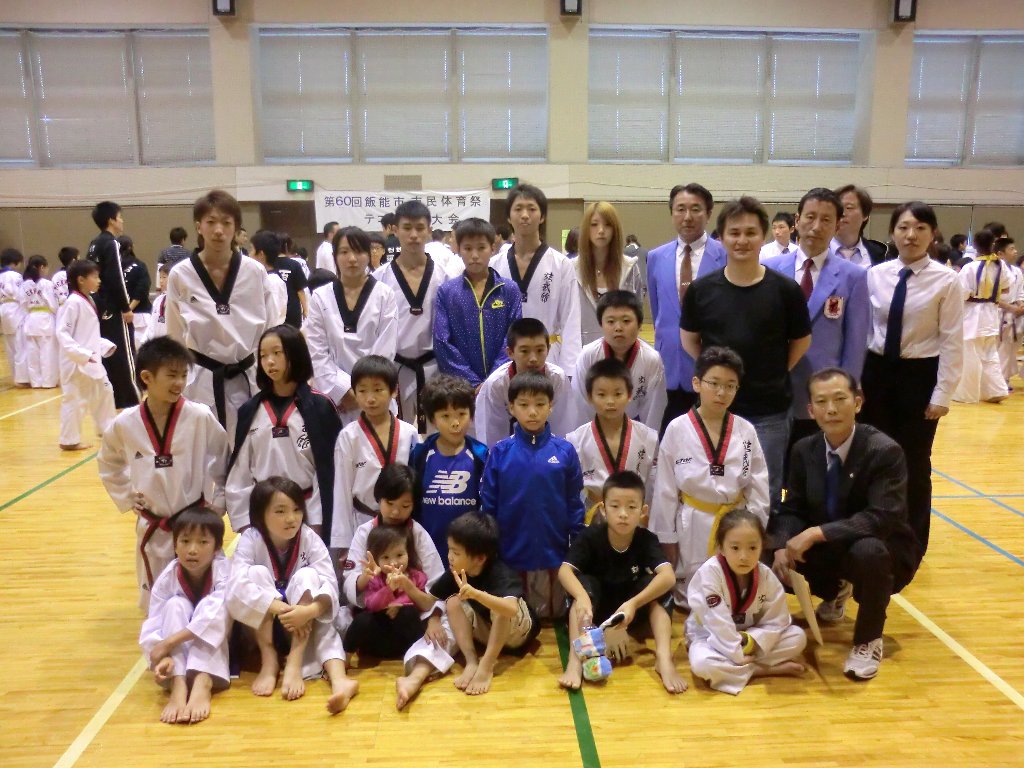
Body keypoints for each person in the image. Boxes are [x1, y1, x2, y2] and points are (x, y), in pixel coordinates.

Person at [770, 368, 920, 680]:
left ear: (858, 402)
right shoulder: (803, 450)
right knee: (766, 551)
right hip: (830, 544)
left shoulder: (884, 450)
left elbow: (882, 517)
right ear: (810, 410)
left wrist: (817, 533)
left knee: (868, 552)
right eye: (821, 402)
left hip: (883, 547)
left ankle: (868, 640)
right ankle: (836, 589)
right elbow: (791, 506)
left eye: (840, 399)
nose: (831, 409)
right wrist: (782, 544)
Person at [681, 196, 811, 514]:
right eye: (734, 232)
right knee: (714, 488)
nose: (742, 240)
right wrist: (717, 381)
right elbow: (690, 341)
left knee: (764, 493)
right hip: (716, 411)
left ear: (763, 236)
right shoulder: (702, 290)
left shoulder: (785, 290)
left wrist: (776, 370)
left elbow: (801, 340)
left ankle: (760, 547)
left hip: (769, 412)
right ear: (722, 238)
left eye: (750, 233)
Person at [860, 202, 963, 556]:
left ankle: (912, 541)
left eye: (920, 228)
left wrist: (942, 393)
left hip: (919, 375)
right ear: (892, 232)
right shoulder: (875, 275)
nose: (911, 235)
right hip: (876, 372)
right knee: (874, 456)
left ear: (932, 234)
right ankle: (874, 530)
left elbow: (952, 340)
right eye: (903, 227)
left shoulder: (947, 280)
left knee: (915, 462)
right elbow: (865, 329)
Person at [97, 337, 229, 609]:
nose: (179, 382)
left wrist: (219, 502)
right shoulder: (125, 423)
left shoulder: (199, 416)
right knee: (157, 602)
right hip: (153, 524)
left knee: (203, 600)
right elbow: (108, 462)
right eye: (171, 375)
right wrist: (126, 496)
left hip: (193, 524)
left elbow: (224, 458)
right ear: (147, 377)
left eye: (183, 375)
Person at [226, 477, 358, 713]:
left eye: (297, 510)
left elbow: (329, 583)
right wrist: (277, 607)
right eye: (280, 511)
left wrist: (310, 611)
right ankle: (269, 660)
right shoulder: (250, 539)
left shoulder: (309, 537)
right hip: (263, 628)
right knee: (255, 574)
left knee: (308, 577)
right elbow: (235, 587)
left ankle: (333, 678)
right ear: (260, 514)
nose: (291, 518)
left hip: (301, 629)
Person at [650, 346, 768, 607]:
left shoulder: (746, 430)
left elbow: (758, 487)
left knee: (732, 597)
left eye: (730, 386)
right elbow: (665, 490)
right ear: (697, 383)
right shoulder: (677, 428)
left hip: (735, 522)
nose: (721, 392)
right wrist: (666, 539)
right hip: (692, 521)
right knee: (691, 600)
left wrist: (755, 531)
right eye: (714, 383)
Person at [762, 188, 870, 448]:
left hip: (823, 393)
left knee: (816, 467)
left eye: (826, 220)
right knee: (773, 467)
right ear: (797, 220)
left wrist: (845, 391)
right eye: (810, 217)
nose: (816, 226)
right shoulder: (769, 270)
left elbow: (856, 342)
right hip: (775, 389)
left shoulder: (853, 277)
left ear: (837, 225)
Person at [558, 471, 684, 693]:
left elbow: (668, 576)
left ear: (643, 511)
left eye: (631, 507)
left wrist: (633, 604)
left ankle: (664, 659)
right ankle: (575, 662)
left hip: (629, 612)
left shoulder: (646, 540)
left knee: (659, 587)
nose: (623, 514)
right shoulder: (590, 537)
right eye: (615, 506)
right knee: (583, 585)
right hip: (593, 614)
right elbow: (564, 571)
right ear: (603, 509)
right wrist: (582, 596)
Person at [165, 190, 275, 437]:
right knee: (203, 453)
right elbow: (174, 335)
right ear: (199, 227)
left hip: (248, 376)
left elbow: (271, 329)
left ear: (236, 228)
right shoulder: (181, 275)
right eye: (211, 222)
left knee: (250, 449)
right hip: (201, 379)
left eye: (226, 223)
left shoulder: (254, 272)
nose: (218, 230)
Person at [481, 371, 585, 619]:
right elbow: (489, 505)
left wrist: (577, 544)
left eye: (540, 404)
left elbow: (574, 503)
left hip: (554, 552)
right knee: (517, 620)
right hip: (511, 553)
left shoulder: (565, 451)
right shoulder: (500, 452)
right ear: (511, 408)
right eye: (524, 405)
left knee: (555, 617)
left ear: (551, 406)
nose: (533, 412)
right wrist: (491, 548)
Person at [227, 325, 342, 538]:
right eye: (263, 355)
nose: (269, 361)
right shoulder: (249, 410)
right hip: (261, 517)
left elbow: (329, 471)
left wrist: (317, 522)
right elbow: (240, 471)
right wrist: (245, 524)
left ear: (295, 354)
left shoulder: (321, 407)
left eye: (277, 353)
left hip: (308, 514)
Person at [416, 512, 540, 698]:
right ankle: (472, 661)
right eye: (449, 550)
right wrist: (405, 585)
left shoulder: (500, 573)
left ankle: (486, 666)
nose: (450, 557)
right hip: (490, 633)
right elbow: (427, 602)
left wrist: (476, 594)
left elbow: (511, 609)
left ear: (480, 558)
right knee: (452, 602)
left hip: (518, 634)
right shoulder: (455, 572)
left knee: (500, 608)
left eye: (456, 553)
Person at [687, 510, 806, 694]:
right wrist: (735, 652)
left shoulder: (765, 575)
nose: (744, 556)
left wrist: (751, 641)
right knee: (702, 664)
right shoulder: (709, 573)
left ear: (762, 547)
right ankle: (763, 670)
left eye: (752, 548)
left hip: (750, 637)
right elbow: (716, 621)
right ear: (721, 547)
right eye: (735, 548)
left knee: (797, 637)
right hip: (712, 637)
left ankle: (735, 671)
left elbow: (777, 620)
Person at [646, 183, 728, 433]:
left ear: (709, 213)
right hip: (668, 367)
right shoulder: (656, 257)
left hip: (711, 367)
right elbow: (657, 309)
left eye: (695, 209)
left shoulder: (725, 256)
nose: (687, 216)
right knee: (668, 439)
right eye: (680, 209)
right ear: (672, 213)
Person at [138, 506, 230, 725]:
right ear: (175, 545)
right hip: (178, 646)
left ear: (217, 547)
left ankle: (203, 681)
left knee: (210, 607)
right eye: (185, 541)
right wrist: (162, 656)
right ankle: (178, 683)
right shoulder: (167, 577)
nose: (192, 550)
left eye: (203, 542)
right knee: (174, 605)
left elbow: (213, 618)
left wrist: (169, 642)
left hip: (223, 640)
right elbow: (154, 623)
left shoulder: (224, 570)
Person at [372, 200, 454, 434]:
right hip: (395, 368)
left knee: (437, 435)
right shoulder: (380, 279)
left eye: (420, 228)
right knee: (396, 435)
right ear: (395, 230)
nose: (414, 235)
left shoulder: (444, 277)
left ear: (429, 230)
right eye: (407, 228)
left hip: (434, 367)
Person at [329, 355, 419, 561]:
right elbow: (341, 490)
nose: (370, 398)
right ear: (354, 392)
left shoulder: (409, 433)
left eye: (378, 390)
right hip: (363, 521)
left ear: (394, 391)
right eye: (362, 391)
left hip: (401, 521)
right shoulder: (348, 436)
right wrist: (343, 543)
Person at [305, 226, 398, 424]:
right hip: (336, 399)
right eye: (345, 252)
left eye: (358, 251)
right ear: (335, 256)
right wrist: (342, 391)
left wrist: (364, 392)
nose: (352, 259)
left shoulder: (385, 294)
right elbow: (317, 352)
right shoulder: (321, 297)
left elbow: (386, 349)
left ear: (368, 254)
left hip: (375, 394)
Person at [491, 183, 581, 373]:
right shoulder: (495, 265)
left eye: (532, 209)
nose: (525, 215)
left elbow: (571, 320)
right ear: (508, 216)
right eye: (518, 209)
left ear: (542, 216)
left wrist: (570, 371)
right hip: (506, 360)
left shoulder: (561, 264)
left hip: (549, 358)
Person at [340, 464, 445, 616]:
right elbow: (350, 582)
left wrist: (434, 618)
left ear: (413, 506)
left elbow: (436, 584)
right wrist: (366, 577)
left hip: (412, 613)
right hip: (373, 611)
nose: (395, 512)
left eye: (405, 506)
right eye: (390, 503)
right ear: (379, 498)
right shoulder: (364, 532)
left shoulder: (418, 534)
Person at [434, 217, 522, 390]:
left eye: (481, 248)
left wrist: (492, 381)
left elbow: (514, 337)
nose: (474, 255)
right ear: (458, 249)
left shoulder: (509, 290)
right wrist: (471, 382)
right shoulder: (447, 292)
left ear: (492, 248)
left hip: (501, 384)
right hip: (460, 387)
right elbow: (442, 342)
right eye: (467, 248)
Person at [566, 359, 659, 522]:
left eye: (617, 394)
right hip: (594, 516)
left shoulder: (649, 437)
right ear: (590, 396)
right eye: (602, 394)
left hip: (634, 517)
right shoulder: (575, 440)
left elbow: (654, 487)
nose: (610, 401)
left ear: (629, 395)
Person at [411, 374, 489, 560]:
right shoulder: (421, 454)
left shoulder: (481, 455)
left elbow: (487, 506)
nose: (455, 423)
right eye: (445, 416)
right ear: (432, 419)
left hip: (468, 553)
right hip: (427, 553)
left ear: (471, 415)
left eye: (461, 414)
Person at [571, 290, 666, 431]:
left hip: (635, 427)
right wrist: (588, 437)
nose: (618, 328)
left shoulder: (651, 359)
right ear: (601, 324)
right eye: (610, 321)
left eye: (626, 321)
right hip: (595, 426)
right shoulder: (588, 355)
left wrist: (647, 440)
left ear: (639, 324)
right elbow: (580, 403)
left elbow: (654, 409)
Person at [474, 317, 573, 447]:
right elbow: (491, 435)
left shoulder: (557, 378)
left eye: (540, 350)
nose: (533, 358)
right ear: (510, 352)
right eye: (525, 351)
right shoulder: (497, 384)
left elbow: (563, 426)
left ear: (548, 349)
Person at [343, 523, 431, 660]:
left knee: (409, 613)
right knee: (362, 619)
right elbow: (372, 605)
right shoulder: (375, 578)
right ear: (376, 559)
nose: (393, 562)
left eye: (399, 555)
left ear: (408, 553)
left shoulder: (417, 577)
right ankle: (346, 656)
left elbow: (424, 605)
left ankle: (423, 658)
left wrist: (402, 600)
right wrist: (388, 589)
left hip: (405, 642)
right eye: (385, 557)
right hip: (376, 640)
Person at [55, 260, 117, 450]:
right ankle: (69, 440)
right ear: (81, 280)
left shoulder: (88, 299)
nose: (99, 280)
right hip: (76, 361)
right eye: (95, 277)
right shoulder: (72, 302)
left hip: (90, 358)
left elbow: (86, 333)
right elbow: (62, 333)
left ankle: (107, 429)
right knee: (75, 400)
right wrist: (81, 353)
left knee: (105, 391)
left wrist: (103, 345)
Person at [87, 200, 139, 408]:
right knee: (124, 352)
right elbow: (116, 277)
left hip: (98, 305)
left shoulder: (94, 243)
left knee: (107, 351)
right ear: (111, 220)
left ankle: (112, 397)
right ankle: (130, 398)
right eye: (120, 217)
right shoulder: (111, 243)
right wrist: (125, 307)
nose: (122, 221)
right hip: (113, 307)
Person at [574, 202, 645, 348]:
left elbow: (637, 313)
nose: (601, 230)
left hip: (621, 352)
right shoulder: (571, 269)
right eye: (594, 224)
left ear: (615, 229)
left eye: (607, 225)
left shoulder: (630, 268)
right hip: (581, 352)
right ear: (586, 229)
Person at [953, 228, 1010, 404]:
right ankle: (996, 390)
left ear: (975, 246)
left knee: (970, 354)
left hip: (972, 314)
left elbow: (961, 293)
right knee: (989, 354)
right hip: (991, 313)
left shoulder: (970, 267)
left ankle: (967, 394)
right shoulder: (1000, 265)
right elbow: (1006, 288)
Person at [17, 255, 59, 388]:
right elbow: (53, 304)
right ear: (42, 267)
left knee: (32, 353)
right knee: (47, 352)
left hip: (30, 319)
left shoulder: (25, 284)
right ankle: (48, 382)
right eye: (46, 267)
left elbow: (22, 304)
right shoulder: (46, 284)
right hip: (45, 319)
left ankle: (35, 382)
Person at [832, 185, 888, 267]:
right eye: (838, 208)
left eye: (849, 208)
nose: (842, 213)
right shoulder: (817, 250)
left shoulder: (882, 253)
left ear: (865, 215)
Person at [994, 236, 1024, 384]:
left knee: (1010, 347)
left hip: (1015, 313)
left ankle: (1004, 378)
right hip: (998, 312)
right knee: (999, 348)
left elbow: (1020, 292)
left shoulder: (1017, 271)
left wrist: (1021, 305)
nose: (1015, 251)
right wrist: (1011, 308)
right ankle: (999, 380)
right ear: (1001, 253)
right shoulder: (993, 271)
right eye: (1011, 249)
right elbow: (991, 297)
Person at [119, 236, 153, 345]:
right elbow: (142, 289)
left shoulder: (113, 267)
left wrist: (125, 310)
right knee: (144, 349)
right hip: (140, 314)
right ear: (131, 247)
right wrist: (129, 309)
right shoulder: (140, 265)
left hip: (119, 315)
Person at [0, 248, 27, 385]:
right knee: (20, 343)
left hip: (3, 308)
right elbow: (20, 294)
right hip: (15, 308)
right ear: (15, 262)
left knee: (10, 344)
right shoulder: (14, 276)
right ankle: (22, 378)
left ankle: (16, 377)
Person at [145, 263, 171, 343]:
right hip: (157, 343)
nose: (161, 281)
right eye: (160, 277)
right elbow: (152, 325)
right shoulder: (159, 300)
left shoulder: (179, 301)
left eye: (164, 277)